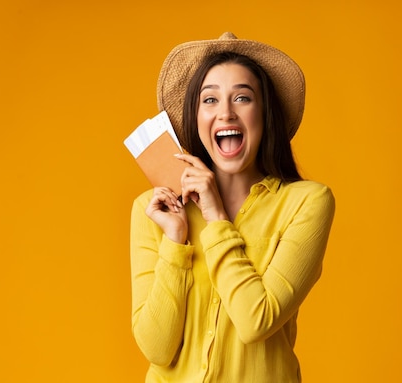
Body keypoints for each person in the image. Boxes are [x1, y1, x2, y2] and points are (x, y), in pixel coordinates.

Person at [129, 32, 335, 383]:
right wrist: (175, 243)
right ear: (194, 117)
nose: (225, 113)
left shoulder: (308, 202)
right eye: (209, 100)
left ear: (264, 114)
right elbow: (156, 349)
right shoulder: (155, 210)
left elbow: (257, 320)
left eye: (242, 98)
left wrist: (215, 217)